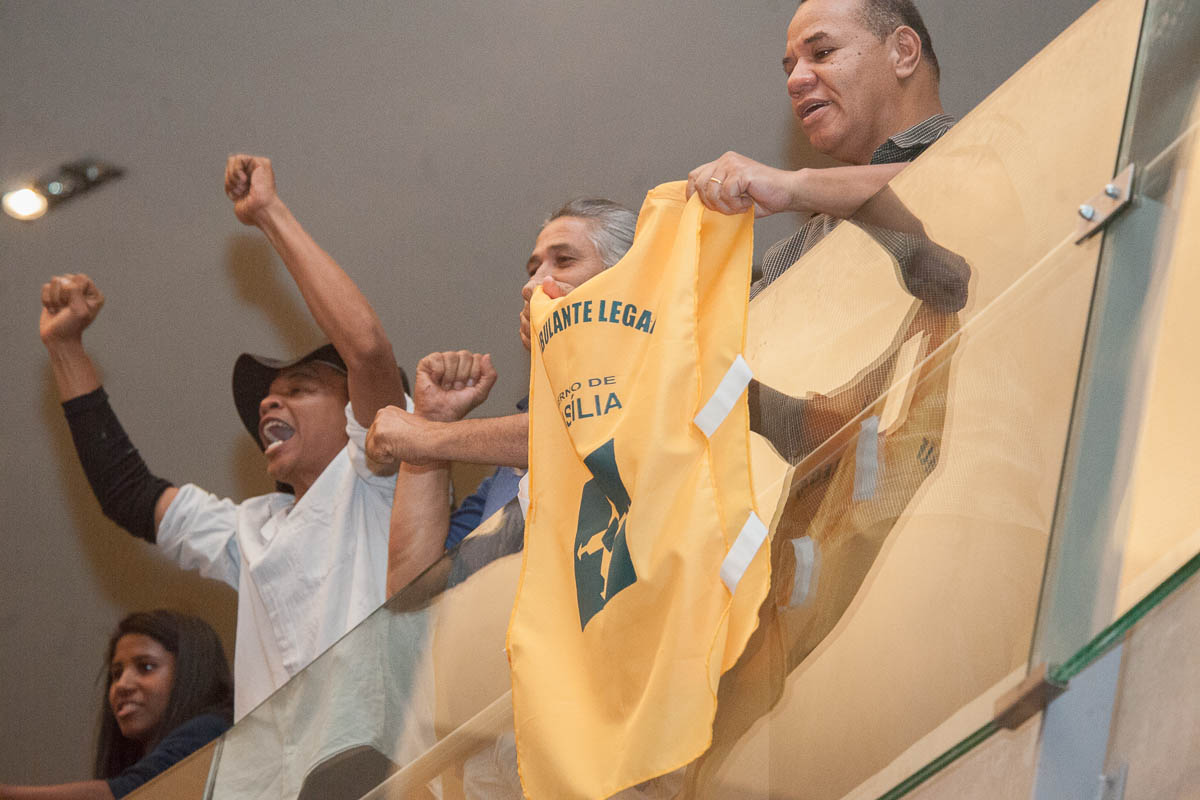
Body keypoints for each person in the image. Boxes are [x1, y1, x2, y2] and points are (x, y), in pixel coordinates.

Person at [39, 155, 408, 719]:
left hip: (391, 749)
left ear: (354, 412)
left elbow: (367, 349)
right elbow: (129, 494)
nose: (268, 403)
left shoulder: (383, 481)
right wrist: (66, 349)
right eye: (270, 397)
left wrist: (268, 212)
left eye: (302, 388)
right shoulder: (251, 531)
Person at [368, 199, 637, 593]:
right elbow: (411, 587)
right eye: (533, 270)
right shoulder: (508, 471)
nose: (532, 286)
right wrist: (432, 419)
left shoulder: (670, 371)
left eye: (563, 261)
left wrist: (424, 437)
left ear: (630, 278)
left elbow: (590, 429)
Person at [686, 0, 965, 309]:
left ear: (903, 51)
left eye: (822, 53)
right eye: (790, 69)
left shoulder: (988, 157)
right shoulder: (797, 251)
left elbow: (946, 186)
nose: (794, 81)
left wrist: (794, 186)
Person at [0, 610, 233, 800]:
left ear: (191, 673)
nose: (122, 685)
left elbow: (134, 793)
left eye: (146, 667)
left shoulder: (212, 730)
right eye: (116, 673)